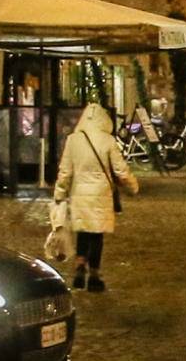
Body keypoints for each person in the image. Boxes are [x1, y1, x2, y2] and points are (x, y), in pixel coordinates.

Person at [56, 99, 139, 290]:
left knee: (83, 232)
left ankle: (78, 268)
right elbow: (120, 170)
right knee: (97, 235)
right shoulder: (108, 140)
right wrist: (133, 186)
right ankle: (94, 275)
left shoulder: (73, 140)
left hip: (80, 194)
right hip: (101, 194)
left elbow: (65, 171)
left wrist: (59, 193)